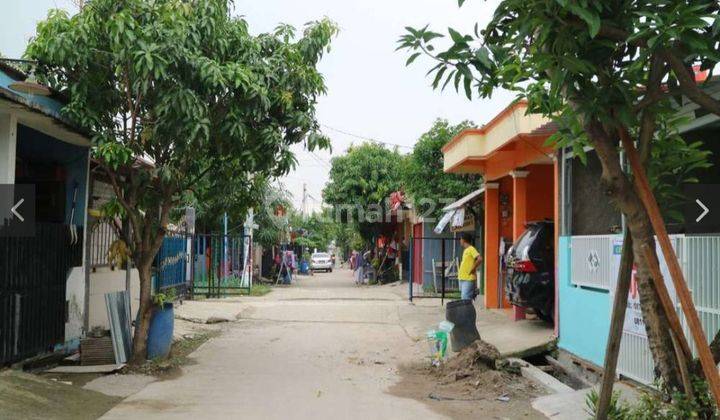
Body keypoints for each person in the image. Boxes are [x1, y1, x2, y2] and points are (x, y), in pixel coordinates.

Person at [458, 232, 482, 300]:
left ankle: (468, 311)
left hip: (468, 278)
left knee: (465, 299)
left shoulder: (471, 249)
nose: (460, 241)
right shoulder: (466, 250)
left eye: (460, 239)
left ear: (463, 240)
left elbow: (479, 259)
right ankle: (466, 310)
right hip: (463, 278)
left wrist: (473, 268)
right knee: (464, 299)